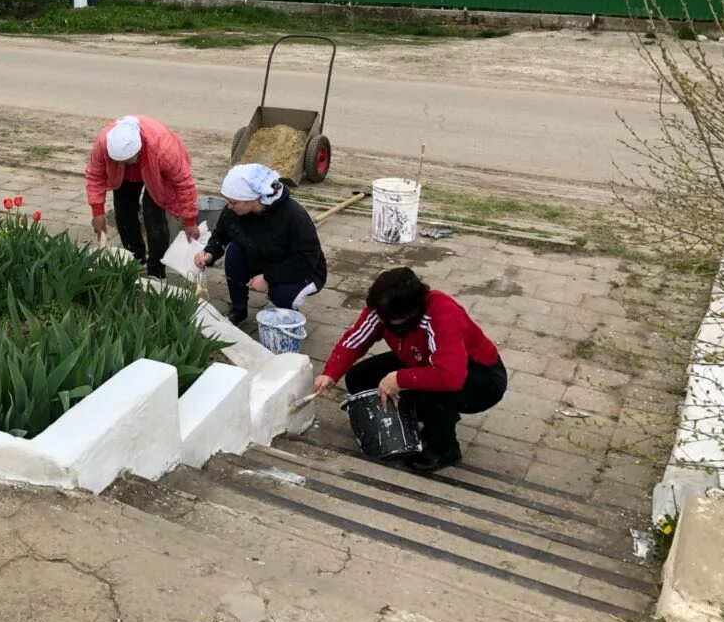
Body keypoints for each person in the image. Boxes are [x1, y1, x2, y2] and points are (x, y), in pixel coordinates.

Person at [314, 267, 507, 473]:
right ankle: (409, 423)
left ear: (412, 311)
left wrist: (399, 378)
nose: (383, 322)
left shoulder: (442, 313)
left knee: (432, 393)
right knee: (359, 377)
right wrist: (330, 373)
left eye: (391, 321)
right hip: (421, 360)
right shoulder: (382, 309)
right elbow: (355, 340)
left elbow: (450, 376)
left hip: (479, 376)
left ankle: (444, 447)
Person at [193, 164, 327, 325]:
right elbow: (221, 235)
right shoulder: (234, 211)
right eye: (228, 201)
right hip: (263, 256)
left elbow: (306, 259)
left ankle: (289, 318)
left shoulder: (294, 216)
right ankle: (238, 309)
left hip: (304, 270)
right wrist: (209, 253)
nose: (229, 206)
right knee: (234, 251)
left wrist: (268, 278)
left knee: (281, 293)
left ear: (251, 199)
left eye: (234, 202)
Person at [86, 115, 200, 279]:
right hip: (126, 176)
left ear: (138, 151)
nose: (120, 165)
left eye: (125, 161)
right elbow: (95, 175)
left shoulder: (164, 150)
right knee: (123, 214)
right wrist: (97, 212)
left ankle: (156, 271)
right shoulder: (104, 143)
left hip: (158, 171)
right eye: (117, 161)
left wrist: (190, 221)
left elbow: (184, 183)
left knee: (153, 217)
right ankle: (135, 260)